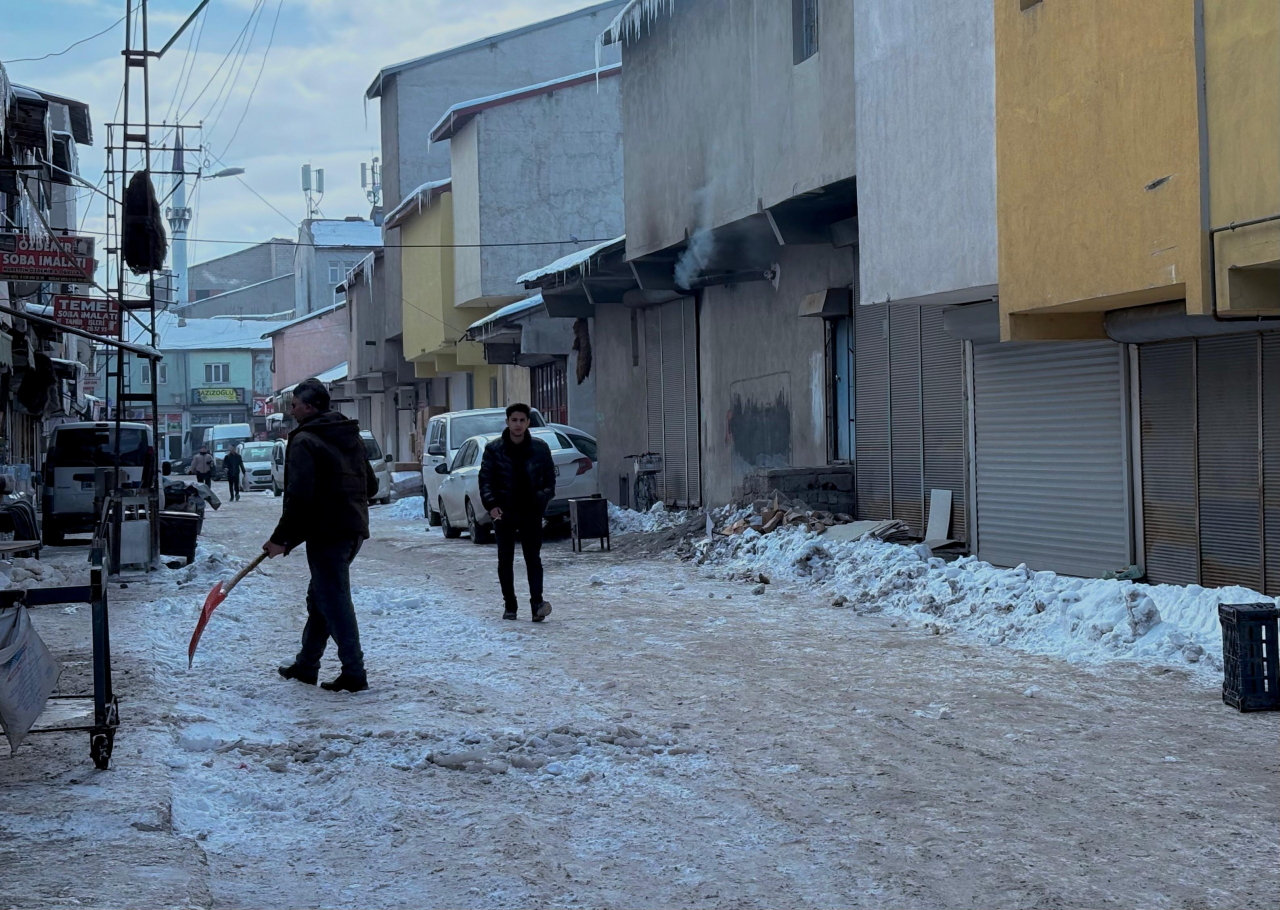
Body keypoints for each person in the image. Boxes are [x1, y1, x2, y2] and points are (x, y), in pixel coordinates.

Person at [266, 379, 379, 693]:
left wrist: (281, 538)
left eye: (295, 404)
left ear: (310, 407)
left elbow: (299, 498)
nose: (291, 409)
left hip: (327, 533)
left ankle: (354, 673)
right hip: (352, 529)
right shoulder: (349, 435)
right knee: (322, 598)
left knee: (335, 601)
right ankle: (306, 665)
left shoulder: (305, 441)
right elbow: (371, 486)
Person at [478, 402, 557, 622]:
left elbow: (550, 480)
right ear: (507, 422)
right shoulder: (494, 449)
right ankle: (510, 604)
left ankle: (537, 605)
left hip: (531, 511)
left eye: (522, 420)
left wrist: (542, 499)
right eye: (514, 420)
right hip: (503, 512)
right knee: (505, 560)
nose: (518, 424)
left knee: (533, 559)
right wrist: (492, 506)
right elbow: (485, 480)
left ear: (528, 422)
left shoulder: (540, 448)